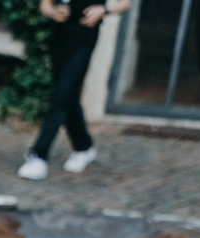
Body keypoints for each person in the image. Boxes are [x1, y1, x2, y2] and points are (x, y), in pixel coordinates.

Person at [19, 0, 129, 180]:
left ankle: (38, 155)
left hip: (84, 36)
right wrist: (53, 12)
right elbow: (44, 5)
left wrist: (103, 9)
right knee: (66, 95)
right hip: (60, 35)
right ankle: (83, 147)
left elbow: (125, 3)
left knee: (62, 95)